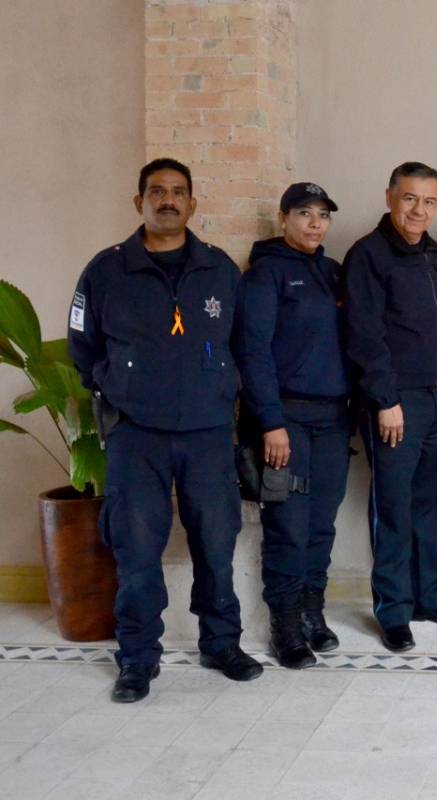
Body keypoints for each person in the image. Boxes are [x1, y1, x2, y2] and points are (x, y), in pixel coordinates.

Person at [68, 158, 262, 703]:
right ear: (139, 203)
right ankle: (137, 657)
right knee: (136, 551)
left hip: (206, 434)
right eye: (157, 192)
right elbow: (84, 350)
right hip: (137, 437)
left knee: (216, 546)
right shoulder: (105, 271)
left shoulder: (220, 269)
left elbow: (244, 347)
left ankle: (222, 643)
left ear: (193, 204)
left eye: (179, 192)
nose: (168, 200)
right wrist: (120, 393)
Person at [343, 162, 437, 653]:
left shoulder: (433, 254)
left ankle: (426, 597)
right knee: (393, 508)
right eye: (410, 199)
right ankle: (393, 611)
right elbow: (365, 335)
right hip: (395, 404)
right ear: (390, 197)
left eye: (429, 201)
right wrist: (385, 400)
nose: (419, 210)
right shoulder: (368, 256)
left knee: (430, 504)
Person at [234, 182, 350, 669]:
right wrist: (270, 422)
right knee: (288, 526)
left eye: (323, 214)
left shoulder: (333, 273)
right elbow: (253, 352)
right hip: (286, 422)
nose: (315, 223)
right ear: (283, 219)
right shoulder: (266, 275)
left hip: (333, 419)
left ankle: (311, 613)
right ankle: (285, 627)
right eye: (304, 213)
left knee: (321, 524)